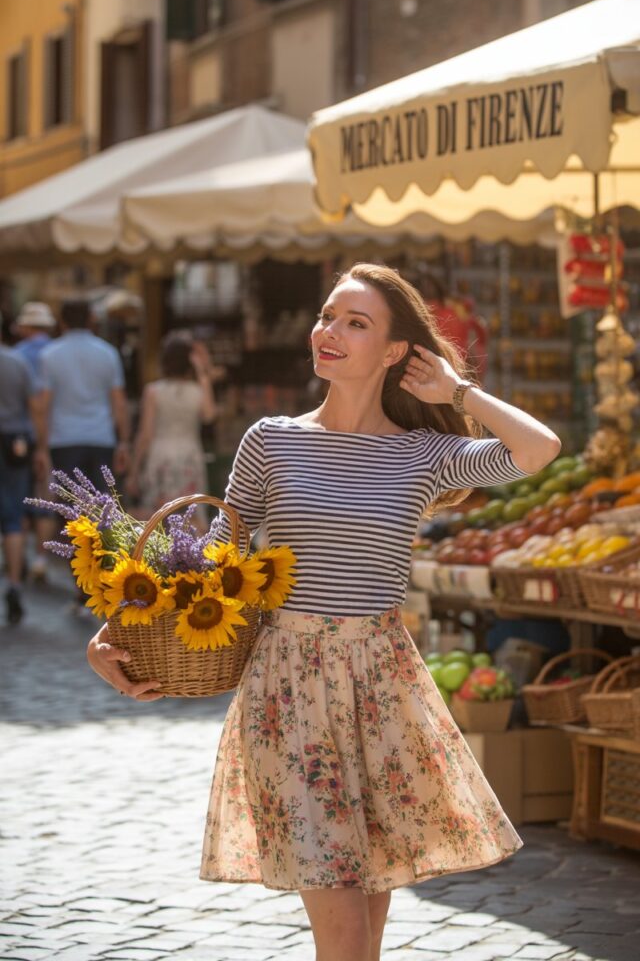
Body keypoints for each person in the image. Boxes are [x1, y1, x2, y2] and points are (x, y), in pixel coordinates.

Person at [86, 264, 561, 961]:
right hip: (290, 688)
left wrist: (456, 390)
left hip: (383, 688)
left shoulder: (423, 453)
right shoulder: (270, 440)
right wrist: (114, 630)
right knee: (339, 930)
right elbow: (216, 563)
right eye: (327, 316)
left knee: (363, 936)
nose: (328, 331)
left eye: (355, 323)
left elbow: (538, 449)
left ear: (398, 351)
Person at [39, 298, 131, 490]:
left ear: (62, 321)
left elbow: (44, 405)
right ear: (91, 320)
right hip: (101, 436)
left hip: (63, 438)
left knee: (70, 509)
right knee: (103, 509)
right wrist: (123, 441)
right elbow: (119, 402)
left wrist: (41, 447)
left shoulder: (49, 355)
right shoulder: (108, 353)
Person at [125, 331, 217, 523]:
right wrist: (203, 374)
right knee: (192, 516)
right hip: (190, 455)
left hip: (160, 456)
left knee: (157, 517)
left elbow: (146, 434)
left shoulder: (153, 391)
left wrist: (133, 470)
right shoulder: (198, 391)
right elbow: (209, 415)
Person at [0, 316, 49, 624]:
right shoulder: (17, 362)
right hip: (15, 442)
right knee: (14, 518)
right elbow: (36, 408)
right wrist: (41, 447)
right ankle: (15, 584)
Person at [12, 301, 57, 581]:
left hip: (19, 434)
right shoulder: (57, 353)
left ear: (25, 327)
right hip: (54, 433)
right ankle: (41, 558)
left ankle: (22, 555)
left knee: (19, 494)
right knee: (45, 498)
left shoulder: (16, 356)